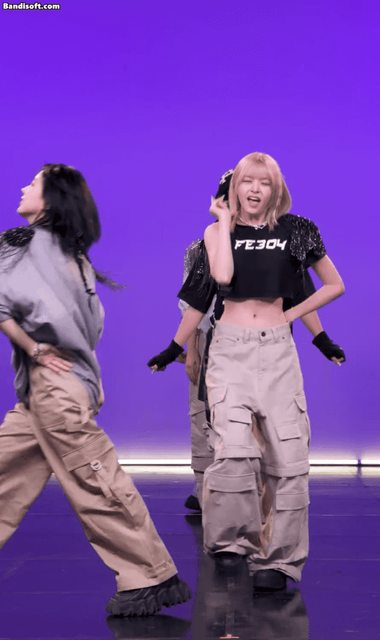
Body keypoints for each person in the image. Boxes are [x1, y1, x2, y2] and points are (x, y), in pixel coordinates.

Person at [148, 153, 345, 591]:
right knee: (233, 450)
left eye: (265, 182)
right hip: (229, 349)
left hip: (276, 352)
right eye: (247, 181)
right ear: (234, 187)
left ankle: (277, 561)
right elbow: (216, 281)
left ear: (277, 189)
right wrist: (175, 347)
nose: (255, 189)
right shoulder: (214, 234)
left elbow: (330, 285)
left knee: (287, 457)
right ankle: (230, 543)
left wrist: (297, 321)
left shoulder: (297, 230)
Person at [0, 164, 191, 617]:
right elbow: (92, 325)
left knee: (96, 480)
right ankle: (149, 572)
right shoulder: (71, 257)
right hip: (54, 388)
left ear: (51, 199)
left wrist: (34, 346)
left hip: (56, 390)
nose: (24, 186)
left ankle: (150, 575)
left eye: (34, 182)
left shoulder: (27, 249)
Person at [175, 171, 345, 512]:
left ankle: (259, 495)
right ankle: (207, 488)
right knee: (207, 416)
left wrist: (321, 338)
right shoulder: (202, 246)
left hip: (266, 340)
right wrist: (190, 347)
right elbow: (193, 301)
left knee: (270, 422)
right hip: (214, 339)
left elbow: (300, 293)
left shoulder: (278, 243)